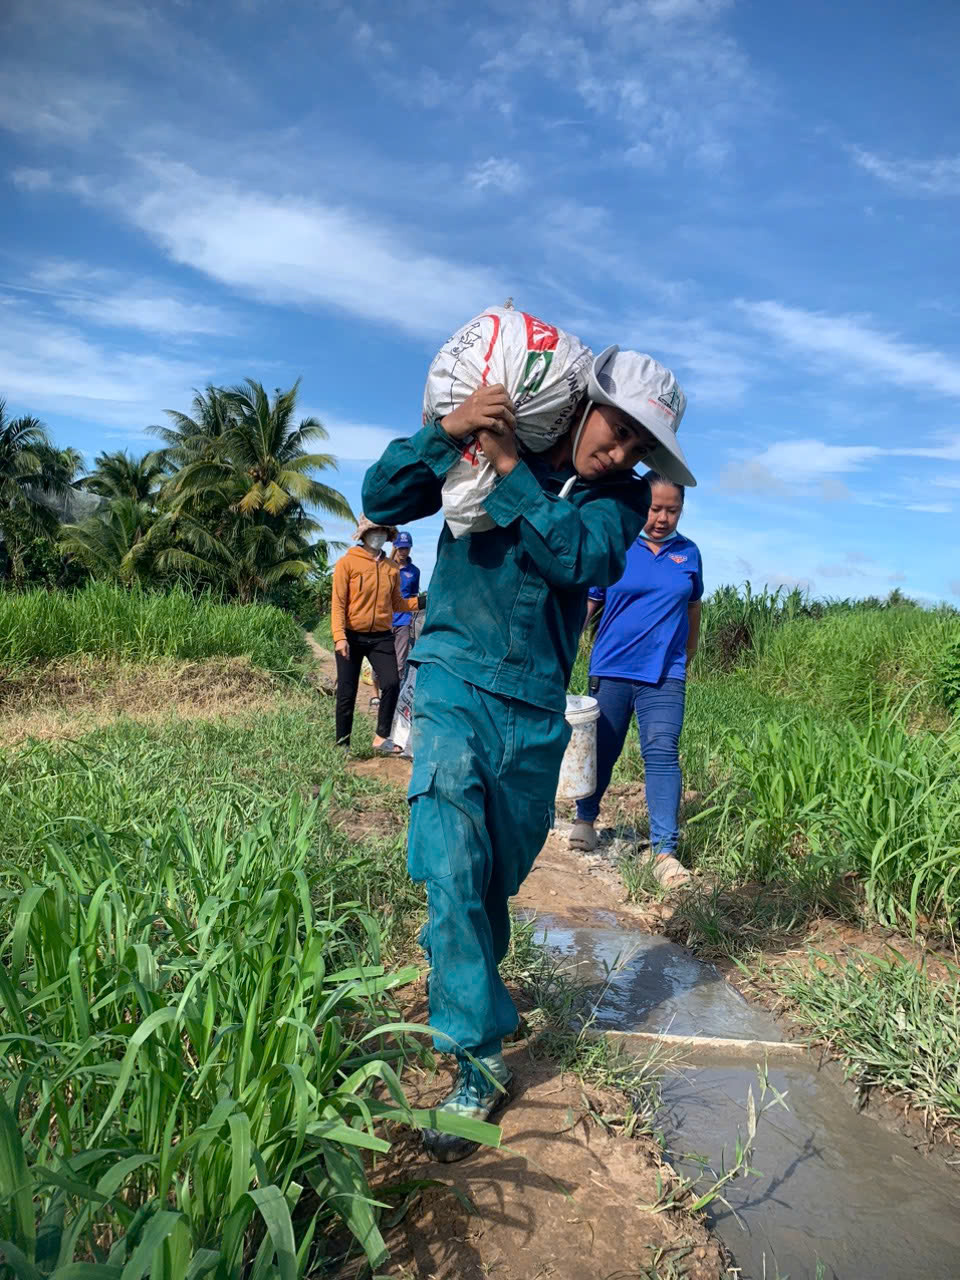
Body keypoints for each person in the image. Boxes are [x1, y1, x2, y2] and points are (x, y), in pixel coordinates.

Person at [362, 346, 695, 1161]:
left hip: (536, 711)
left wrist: (511, 468)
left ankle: (466, 975)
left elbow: (575, 558)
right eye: (617, 430)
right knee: (448, 863)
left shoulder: (615, 505)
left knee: (491, 879)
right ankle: (475, 1058)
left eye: (637, 447)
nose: (620, 453)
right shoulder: (486, 436)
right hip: (451, 680)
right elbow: (382, 496)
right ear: (585, 404)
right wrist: (453, 430)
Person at [569, 473, 702, 886]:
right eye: (654, 508)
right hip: (611, 668)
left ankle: (664, 852)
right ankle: (586, 819)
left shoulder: (689, 553)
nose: (662, 518)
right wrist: (564, 648)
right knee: (604, 750)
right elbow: (588, 606)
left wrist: (689, 654)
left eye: (672, 510)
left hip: (665, 673)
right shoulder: (619, 546)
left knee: (662, 751)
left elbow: (693, 607)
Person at [331, 516, 421, 755]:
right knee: (347, 691)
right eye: (374, 530)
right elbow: (338, 604)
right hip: (351, 635)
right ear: (364, 534)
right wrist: (339, 636)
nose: (379, 534)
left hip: (381, 636)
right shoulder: (347, 563)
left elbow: (397, 603)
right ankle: (343, 743)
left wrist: (421, 601)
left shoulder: (392, 568)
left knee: (392, 682)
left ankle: (381, 737)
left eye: (383, 531)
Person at [370, 531, 421, 707]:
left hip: (403, 621)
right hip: (383, 621)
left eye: (406, 548)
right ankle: (375, 694)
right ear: (395, 547)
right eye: (400, 548)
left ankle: (391, 699)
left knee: (399, 664)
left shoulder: (414, 572)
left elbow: (413, 596)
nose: (403, 551)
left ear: (410, 548)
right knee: (380, 663)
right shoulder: (385, 566)